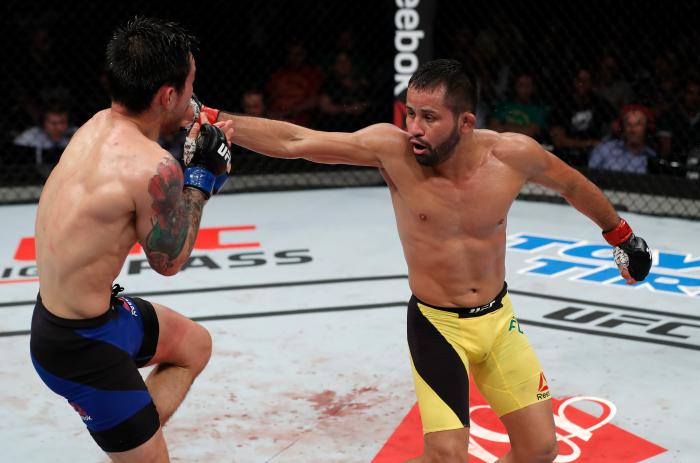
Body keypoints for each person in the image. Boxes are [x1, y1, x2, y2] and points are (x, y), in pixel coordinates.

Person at [198, 59, 652, 462]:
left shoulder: (512, 156)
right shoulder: (391, 150)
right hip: (438, 325)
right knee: (446, 457)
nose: (414, 127)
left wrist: (622, 236)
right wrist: (215, 118)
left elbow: (573, 185)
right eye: (410, 113)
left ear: (466, 122)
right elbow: (297, 139)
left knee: (540, 450)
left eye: (429, 117)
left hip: (498, 321)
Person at [30, 17, 233, 463]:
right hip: (79, 350)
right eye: (190, 85)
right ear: (166, 95)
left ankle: (131, 437)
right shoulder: (152, 168)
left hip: (88, 316)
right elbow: (170, 261)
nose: (194, 96)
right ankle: (134, 445)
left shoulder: (97, 125)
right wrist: (202, 180)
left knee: (194, 345)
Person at [549, 67, 617, 166]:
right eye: (580, 80)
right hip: (565, 156)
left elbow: (616, 126)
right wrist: (591, 143)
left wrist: (606, 142)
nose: (582, 84)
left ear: (591, 83)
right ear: (574, 82)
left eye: (586, 81)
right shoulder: (562, 104)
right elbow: (559, 141)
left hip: (593, 156)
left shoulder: (599, 103)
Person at [13, 104, 77, 177]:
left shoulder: (77, 134)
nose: (58, 127)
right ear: (43, 124)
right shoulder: (30, 136)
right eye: (53, 123)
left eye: (62, 122)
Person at [588, 105, 657, 174]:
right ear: (623, 127)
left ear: (646, 128)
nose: (633, 130)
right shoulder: (604, 149)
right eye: (628, 124)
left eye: (638, 125)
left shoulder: (652, 157)